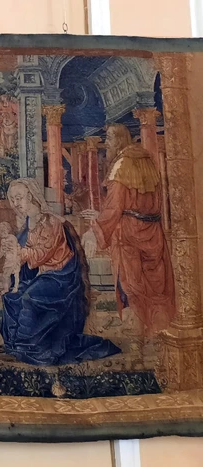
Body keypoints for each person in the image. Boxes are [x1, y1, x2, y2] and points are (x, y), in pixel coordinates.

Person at [0, 178, 121, 365]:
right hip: (42, 276)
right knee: (11, 296)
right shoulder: (28, 224)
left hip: (61, 278)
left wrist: (18, 253)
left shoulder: (51, 222)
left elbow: (42, 254)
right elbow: (25, 254)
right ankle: (14, 342)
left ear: (31, 197)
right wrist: (11, 253)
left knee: (29, 298)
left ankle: (26, 346)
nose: (15, 203)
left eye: (19, 198)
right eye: (12, 199)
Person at [80, 124, 175, 341]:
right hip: (153, 231)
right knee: (155, 282)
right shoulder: (147, 161)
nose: (106, 143)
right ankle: (156, 329)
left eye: (110, 138)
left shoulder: (121, 166)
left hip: (129, 234)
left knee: (132, 283)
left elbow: (115, 207)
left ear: (120, 140)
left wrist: (96, 226)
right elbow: (150, 202)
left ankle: (138, 332)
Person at [0, 221, 20, 293]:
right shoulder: (3, 240)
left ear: (7, 230)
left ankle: (15, 288)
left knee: (15, 274)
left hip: (13, 258)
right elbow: (2, 252)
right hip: (8, 259)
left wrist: (15, 260)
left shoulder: (12, 238)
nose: (1, 234)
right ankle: (7, 289)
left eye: (3, 231)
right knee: (6, 275)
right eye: (0, 232)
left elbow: (15, 250)